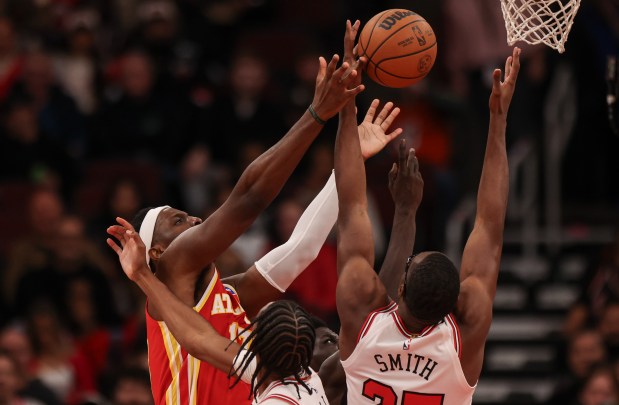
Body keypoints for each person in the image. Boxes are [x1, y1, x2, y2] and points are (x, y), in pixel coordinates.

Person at [106, 20, 400, 404]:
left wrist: (351, 159)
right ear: (156, 252)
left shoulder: (227, 295)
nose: (195, 220)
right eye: (177, 221)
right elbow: (248, 199)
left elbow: (302, 249)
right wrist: (316, 115)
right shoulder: (173, 268)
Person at [333, 46, 521, 404]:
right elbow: (489, 226)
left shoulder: (362, 318)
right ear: (455, 303)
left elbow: (352, 207)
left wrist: (346, 108)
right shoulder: (463, 336)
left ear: (400, 287)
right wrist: (499, 122)